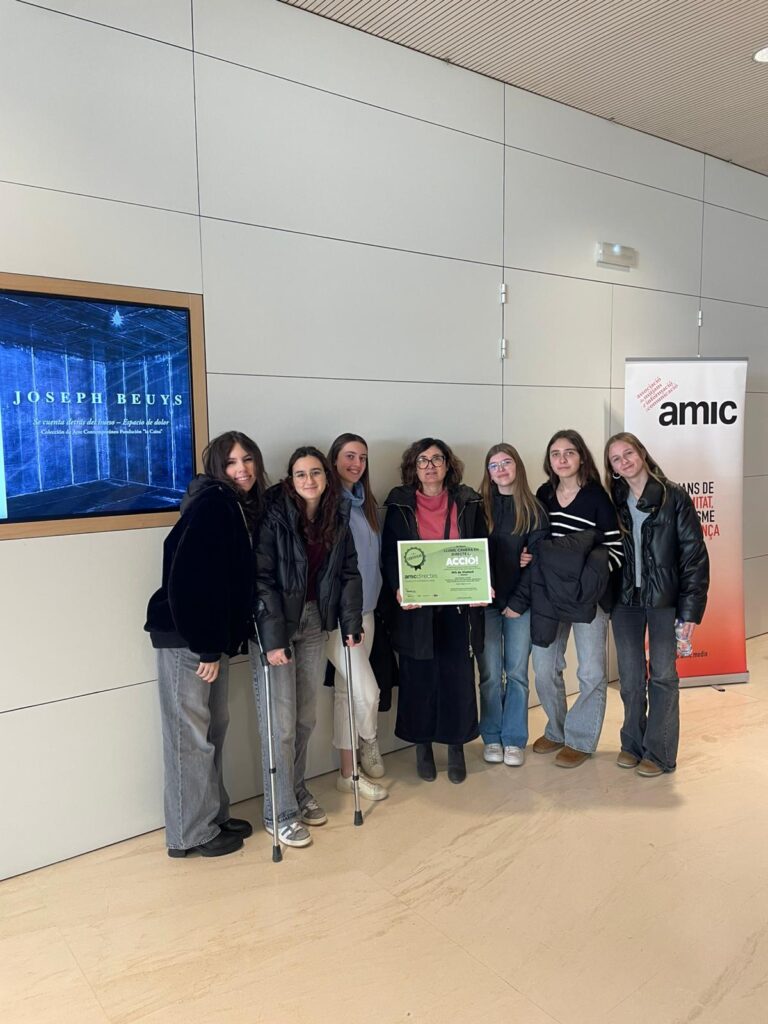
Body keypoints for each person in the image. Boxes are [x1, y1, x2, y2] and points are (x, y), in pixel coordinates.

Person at [145, 431, 267, 858]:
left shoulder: (231, 504)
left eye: (247, 460)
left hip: (205, 639)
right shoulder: (215, 503)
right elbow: (191, 579)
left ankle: (211, 816)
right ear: (217, 468)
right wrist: (208, 647)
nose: (242, 469)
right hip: (189, 640)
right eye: (231, 462)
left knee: (211, 730)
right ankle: (189, 834)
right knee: (191, 736)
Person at [250, 446, 363, 848]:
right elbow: (261, 579)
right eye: (300, 474)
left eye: (316, 472)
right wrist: (273, 639)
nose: (309, 480)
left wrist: (351, 623)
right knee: (280, 725)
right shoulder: (275, 515)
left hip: (315, 622)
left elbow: (348, 572)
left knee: (304, 720)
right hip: (277, 626)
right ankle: (278, 811)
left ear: (326, 477)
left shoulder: (337, 514)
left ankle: (295, 790)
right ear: (290, 479)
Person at [382, 437, 486, 784]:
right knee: (419, 678)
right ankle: (422, 746)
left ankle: (456, 746)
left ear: (447, 465)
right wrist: (398, 588)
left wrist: (482, 585)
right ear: (413, 467)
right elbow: (390, 555)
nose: (430, 466)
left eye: (436, 459)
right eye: (422, 460)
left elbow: (480, 548)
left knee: (458, 677)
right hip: (416, 608)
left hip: (457, 606)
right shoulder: (399, 504)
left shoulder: (468, 501)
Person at [605, 432, 709, 776]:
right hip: (625, 600)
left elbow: (694, 555)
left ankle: (660, 753)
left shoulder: (673, 496)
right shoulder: (614, 501)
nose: (624, 461)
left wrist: (690, 610)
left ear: (642, 453)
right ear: (613, 468)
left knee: (663, 675)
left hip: (664, 599)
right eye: (616, 459)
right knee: (631, 677)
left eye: (628, 453)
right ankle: (632, 744)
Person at [530, 429, 623, 768]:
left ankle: (580, 739)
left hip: (587, 597)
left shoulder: (597, 498)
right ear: (549, 460)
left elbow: (615, 550)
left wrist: (589, 582)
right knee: (544, 668)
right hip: (550, 595)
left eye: (569, 452)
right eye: (555, 454)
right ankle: (556, 730)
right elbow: (535, 539)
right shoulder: (544, 494)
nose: (562, 459)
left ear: (582, 457)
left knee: (592, 672)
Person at [477, 444, 548, 767]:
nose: (501, 469)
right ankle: (491, 736)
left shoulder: (534, 509)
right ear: (488, 473)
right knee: (490, 674)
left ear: (517, 466)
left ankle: (514, 738)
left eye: (506, 462)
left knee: (517, 674)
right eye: (494, 465)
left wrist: (518, 602)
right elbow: (471, 552)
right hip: (485, 603)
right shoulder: (478, 508)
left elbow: (538, 562)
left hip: (521, 604)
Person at [326, 433, 388, 802]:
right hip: (339, 618)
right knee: (368, 692)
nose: (357, 464)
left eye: (362, 457)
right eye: (349, 456)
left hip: (367, 610)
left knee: (346, 693)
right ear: (334, 459)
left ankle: (347, 774)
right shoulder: (329, 505)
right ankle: (369, 740)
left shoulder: (366, 504)